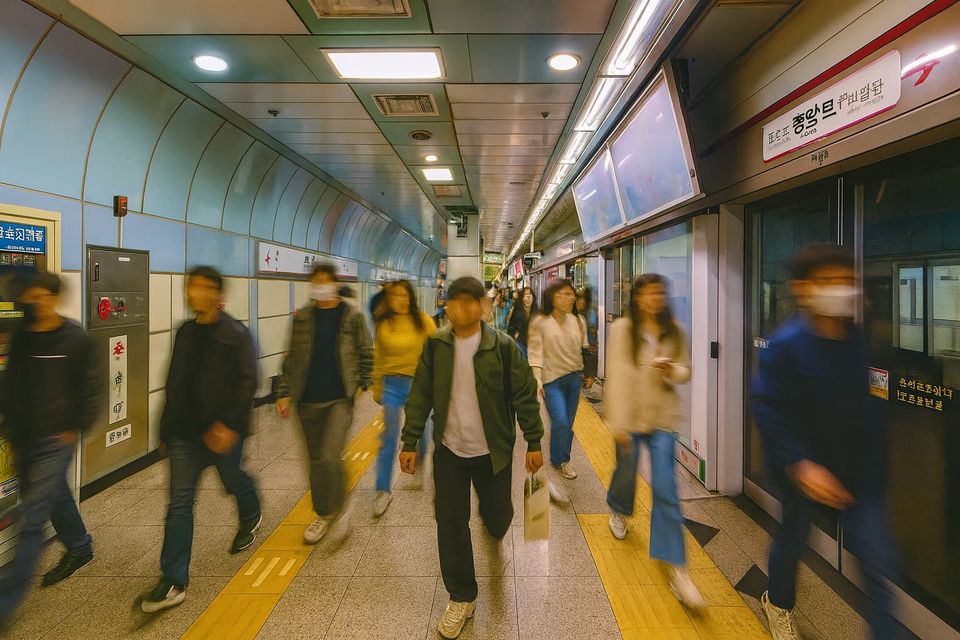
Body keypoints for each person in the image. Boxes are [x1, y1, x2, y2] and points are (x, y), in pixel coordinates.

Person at [752, 244, 898, 640]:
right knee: (793, 541)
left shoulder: (856, 339)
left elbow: (866, 407)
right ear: (803, 289)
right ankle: (777, 602)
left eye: (846, 281)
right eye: (829, 281)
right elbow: (768, 408)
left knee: (879, 566)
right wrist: (799, 463)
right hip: (804, 473)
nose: (841, 289)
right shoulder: (786, 345)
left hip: (857, 475)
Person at [399, 277, 543, 640]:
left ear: (483, 305)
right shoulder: (435, 346)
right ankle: (462, 596)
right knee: (449, 522)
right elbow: (421, 394)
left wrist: (534, 440)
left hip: (493, 451)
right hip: (450, 451)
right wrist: (410, 439)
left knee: (497, 518)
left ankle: (494, 522)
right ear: (446, 305)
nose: (460, 309)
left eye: (469, 302)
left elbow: (525, 394)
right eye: (453, 302)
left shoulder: (503, 347)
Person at [142, 266, 261, 613]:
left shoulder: (236, 334)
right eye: (192, 287)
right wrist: (165, 430)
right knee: (179, 505)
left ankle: (251, 510)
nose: (197, 293)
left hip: (223, 433)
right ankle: (174, 579)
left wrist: (228, 425)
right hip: (184, 434)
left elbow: (247, 383)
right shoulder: (186, 333)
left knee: (232, 480)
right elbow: (175, 383)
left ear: (218, 294)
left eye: (205, 287)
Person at [0, 272, 100, 621]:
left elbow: (91, 389)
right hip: (25, 438)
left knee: (31, 517)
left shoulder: (76, 340)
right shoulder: (22, 339)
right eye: (31, 296)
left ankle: (6, 603)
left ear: (55, 298)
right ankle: (79, 546)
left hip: (56, 439)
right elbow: (11, 385)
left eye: (41, 296)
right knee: (54, 495)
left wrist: (76, 427)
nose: (34, 302)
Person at [603, 273, 705, 609]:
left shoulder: (673, 331)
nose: (653, 299)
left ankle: (677, 566)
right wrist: (616, 422)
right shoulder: (622, 331)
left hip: (662, 419)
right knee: (625, 471)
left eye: (659, 293)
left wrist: (670, 369)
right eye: (647, 293)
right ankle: (618, 510)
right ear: (636, 297)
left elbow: (686, 371)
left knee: (666, 489)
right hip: (630, 419)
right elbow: (615, 376)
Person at [276, 262, 372, 544]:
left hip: (339, 399)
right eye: (315, 280)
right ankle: (324, 512)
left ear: (333, 283)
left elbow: (365, 350)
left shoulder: (351, 316)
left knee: (330, 456)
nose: (320, 285)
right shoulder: (303, 317)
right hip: (306, 400)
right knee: (316, 462)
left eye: (325, 280)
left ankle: (339, 506)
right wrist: (284, 391)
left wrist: (362, 383)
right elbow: (291, 357)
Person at [371, 279, 436, 516]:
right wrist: (377, 387)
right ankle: (382, 489)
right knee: (388, 436)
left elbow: (436, 352)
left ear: (411, 297)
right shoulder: (384, 323)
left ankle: (418, 455)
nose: (400, 299)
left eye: (404, 295)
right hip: (391, 385)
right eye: (395, 295)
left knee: (423, 430)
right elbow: (378, 356)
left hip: (418, 384)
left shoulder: (424, 322)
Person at [527, 279, 588, 499]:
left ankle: (560, 457)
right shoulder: (541, 322)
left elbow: (583, 349)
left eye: (571, 294)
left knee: (567, 424)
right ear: (552, 297)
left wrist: (585, 375)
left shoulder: (578, 321)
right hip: (552, 379)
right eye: (563, 294)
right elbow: (535, 353)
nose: (569, 298)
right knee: (560, 421)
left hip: (573, 379)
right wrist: (537, 380)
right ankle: (560, 459)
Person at [576, 287, 599, 391]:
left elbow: (593, 330)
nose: (580, 301)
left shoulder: (591, 313)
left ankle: (588, 383)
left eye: (582, 298)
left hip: (588, 347)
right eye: (579, 298)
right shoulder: (575, 315)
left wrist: (594, 344)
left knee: (588, 369)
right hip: (579, 348)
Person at [506, 287, 538, 358]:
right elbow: (510, 329)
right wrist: (515, 336)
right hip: (521, 343)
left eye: (530, 294)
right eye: (525, 295)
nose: (528, 297)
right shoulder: (517, 313)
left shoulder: (536, 312)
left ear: (533, 298)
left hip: (533, 344)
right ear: (522, 298)